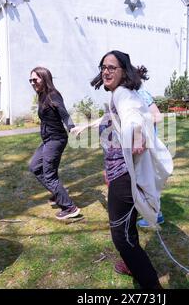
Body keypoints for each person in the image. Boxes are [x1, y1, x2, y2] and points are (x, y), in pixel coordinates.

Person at [72, 51, 173, 289]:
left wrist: (137, 134)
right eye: (103, 67)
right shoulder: (121, 94)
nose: (106, 71)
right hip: (120, 172)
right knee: (127, 232)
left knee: (121, 237)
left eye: (112, 67)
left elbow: (133, 117)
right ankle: (134, 268)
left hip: (123, 177)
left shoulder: (121, 94)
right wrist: (86, 125)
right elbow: (113, 117)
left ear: (123, 71)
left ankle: (152, 288)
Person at [28, 66, 80, 220]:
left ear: (44, 78)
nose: (32, 83)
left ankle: (70, 208)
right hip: (48, 140)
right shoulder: (42, 95)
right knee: (35, 167)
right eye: (30, 80)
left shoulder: (53, 95)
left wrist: (71, 127)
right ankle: (59, 194)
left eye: (35, 79)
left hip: (56, 140)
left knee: (49, 175)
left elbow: (63, 112)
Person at [136, 88, 165, 228]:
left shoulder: (140, 93)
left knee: (148, 182)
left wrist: (139, 123)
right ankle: (151, 213)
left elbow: (157, 116)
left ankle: (155, 216)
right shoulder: (124, 93)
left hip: (146, 145)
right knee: (142, 181)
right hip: (135, 146)